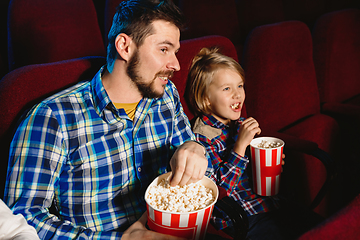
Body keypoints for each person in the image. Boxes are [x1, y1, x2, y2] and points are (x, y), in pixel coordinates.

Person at [4, 1, 208, 239]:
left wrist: (195, 147)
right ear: (124, 46)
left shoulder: (166, 95)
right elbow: (24, 217)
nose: (176, 65)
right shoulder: (52, 118)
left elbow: (199, 168)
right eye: (164, 49)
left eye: (176, 52)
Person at [185, 47, 293, 240]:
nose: (237, 95)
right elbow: (217, 192)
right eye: (227, 88)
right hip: (242, 218)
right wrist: (240, 148)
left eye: (240, 86)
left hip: (271, 204)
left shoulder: (241, 123)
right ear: (205, 99)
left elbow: (255, 172)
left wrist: (270, 163)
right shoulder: (200, 138)